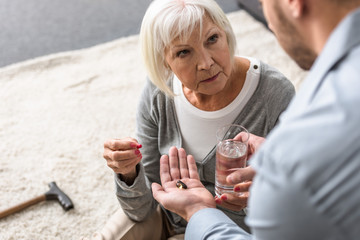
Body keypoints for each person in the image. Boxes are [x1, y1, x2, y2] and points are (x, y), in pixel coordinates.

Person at [151, 0, 360, 239]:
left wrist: (197, 211)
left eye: (262, 3)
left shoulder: (295, 158)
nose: (268, 21)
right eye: (183, 52)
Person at [95, 0, 295, 239]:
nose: (206, 63)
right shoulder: (160, 91)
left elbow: (299, 205)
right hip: (170, 218)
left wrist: (259, 196)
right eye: (183, 52)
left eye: (212, 39)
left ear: (226, 32)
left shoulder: (274, 94)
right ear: (164, 62)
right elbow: (141, 209)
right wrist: (128, 174)